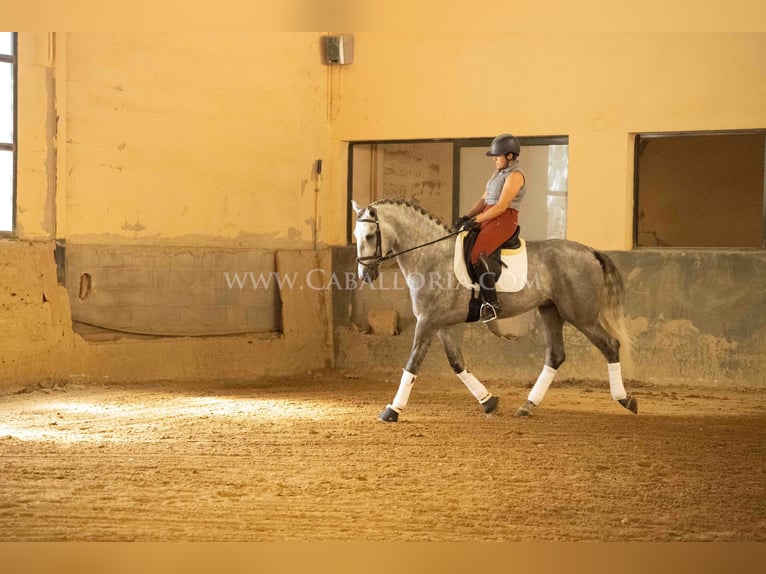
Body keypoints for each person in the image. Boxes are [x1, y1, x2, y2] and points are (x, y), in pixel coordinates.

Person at [456, 133, 526, 322]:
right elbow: (484, 199)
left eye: (497, 156)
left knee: (477, 254)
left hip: (503, 219)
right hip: (489, 215)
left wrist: (477, 220)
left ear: (509, 156)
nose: (494, 159)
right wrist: (467, 217)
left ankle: (492, 304)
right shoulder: (498, 173)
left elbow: (502, 206)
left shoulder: (515, 176)